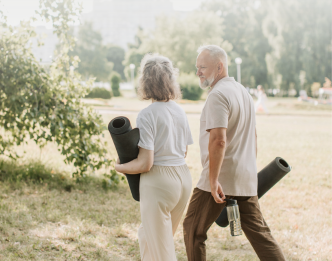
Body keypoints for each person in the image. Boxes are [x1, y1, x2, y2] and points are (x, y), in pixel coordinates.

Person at [183, 45, 285, 261]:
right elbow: (253, 137)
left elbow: (219, 140)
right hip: (245, 177)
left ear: (219, 67)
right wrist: (248, 171)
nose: (198, 72)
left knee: (193, 229)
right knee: (261, 235)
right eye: (197, 67)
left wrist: (212, 180)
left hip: (220, 177)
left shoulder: (218, 95)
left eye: (202, 67)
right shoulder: (243, 93)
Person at [115, 53, 193, 261]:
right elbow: (184, 151)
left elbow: (145, 163)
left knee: (162, 251)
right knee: (148, 238)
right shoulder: (179, 111)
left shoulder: (147, 114)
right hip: (183, 180)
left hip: (159, 183)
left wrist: (120, 167)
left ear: (145, 82)